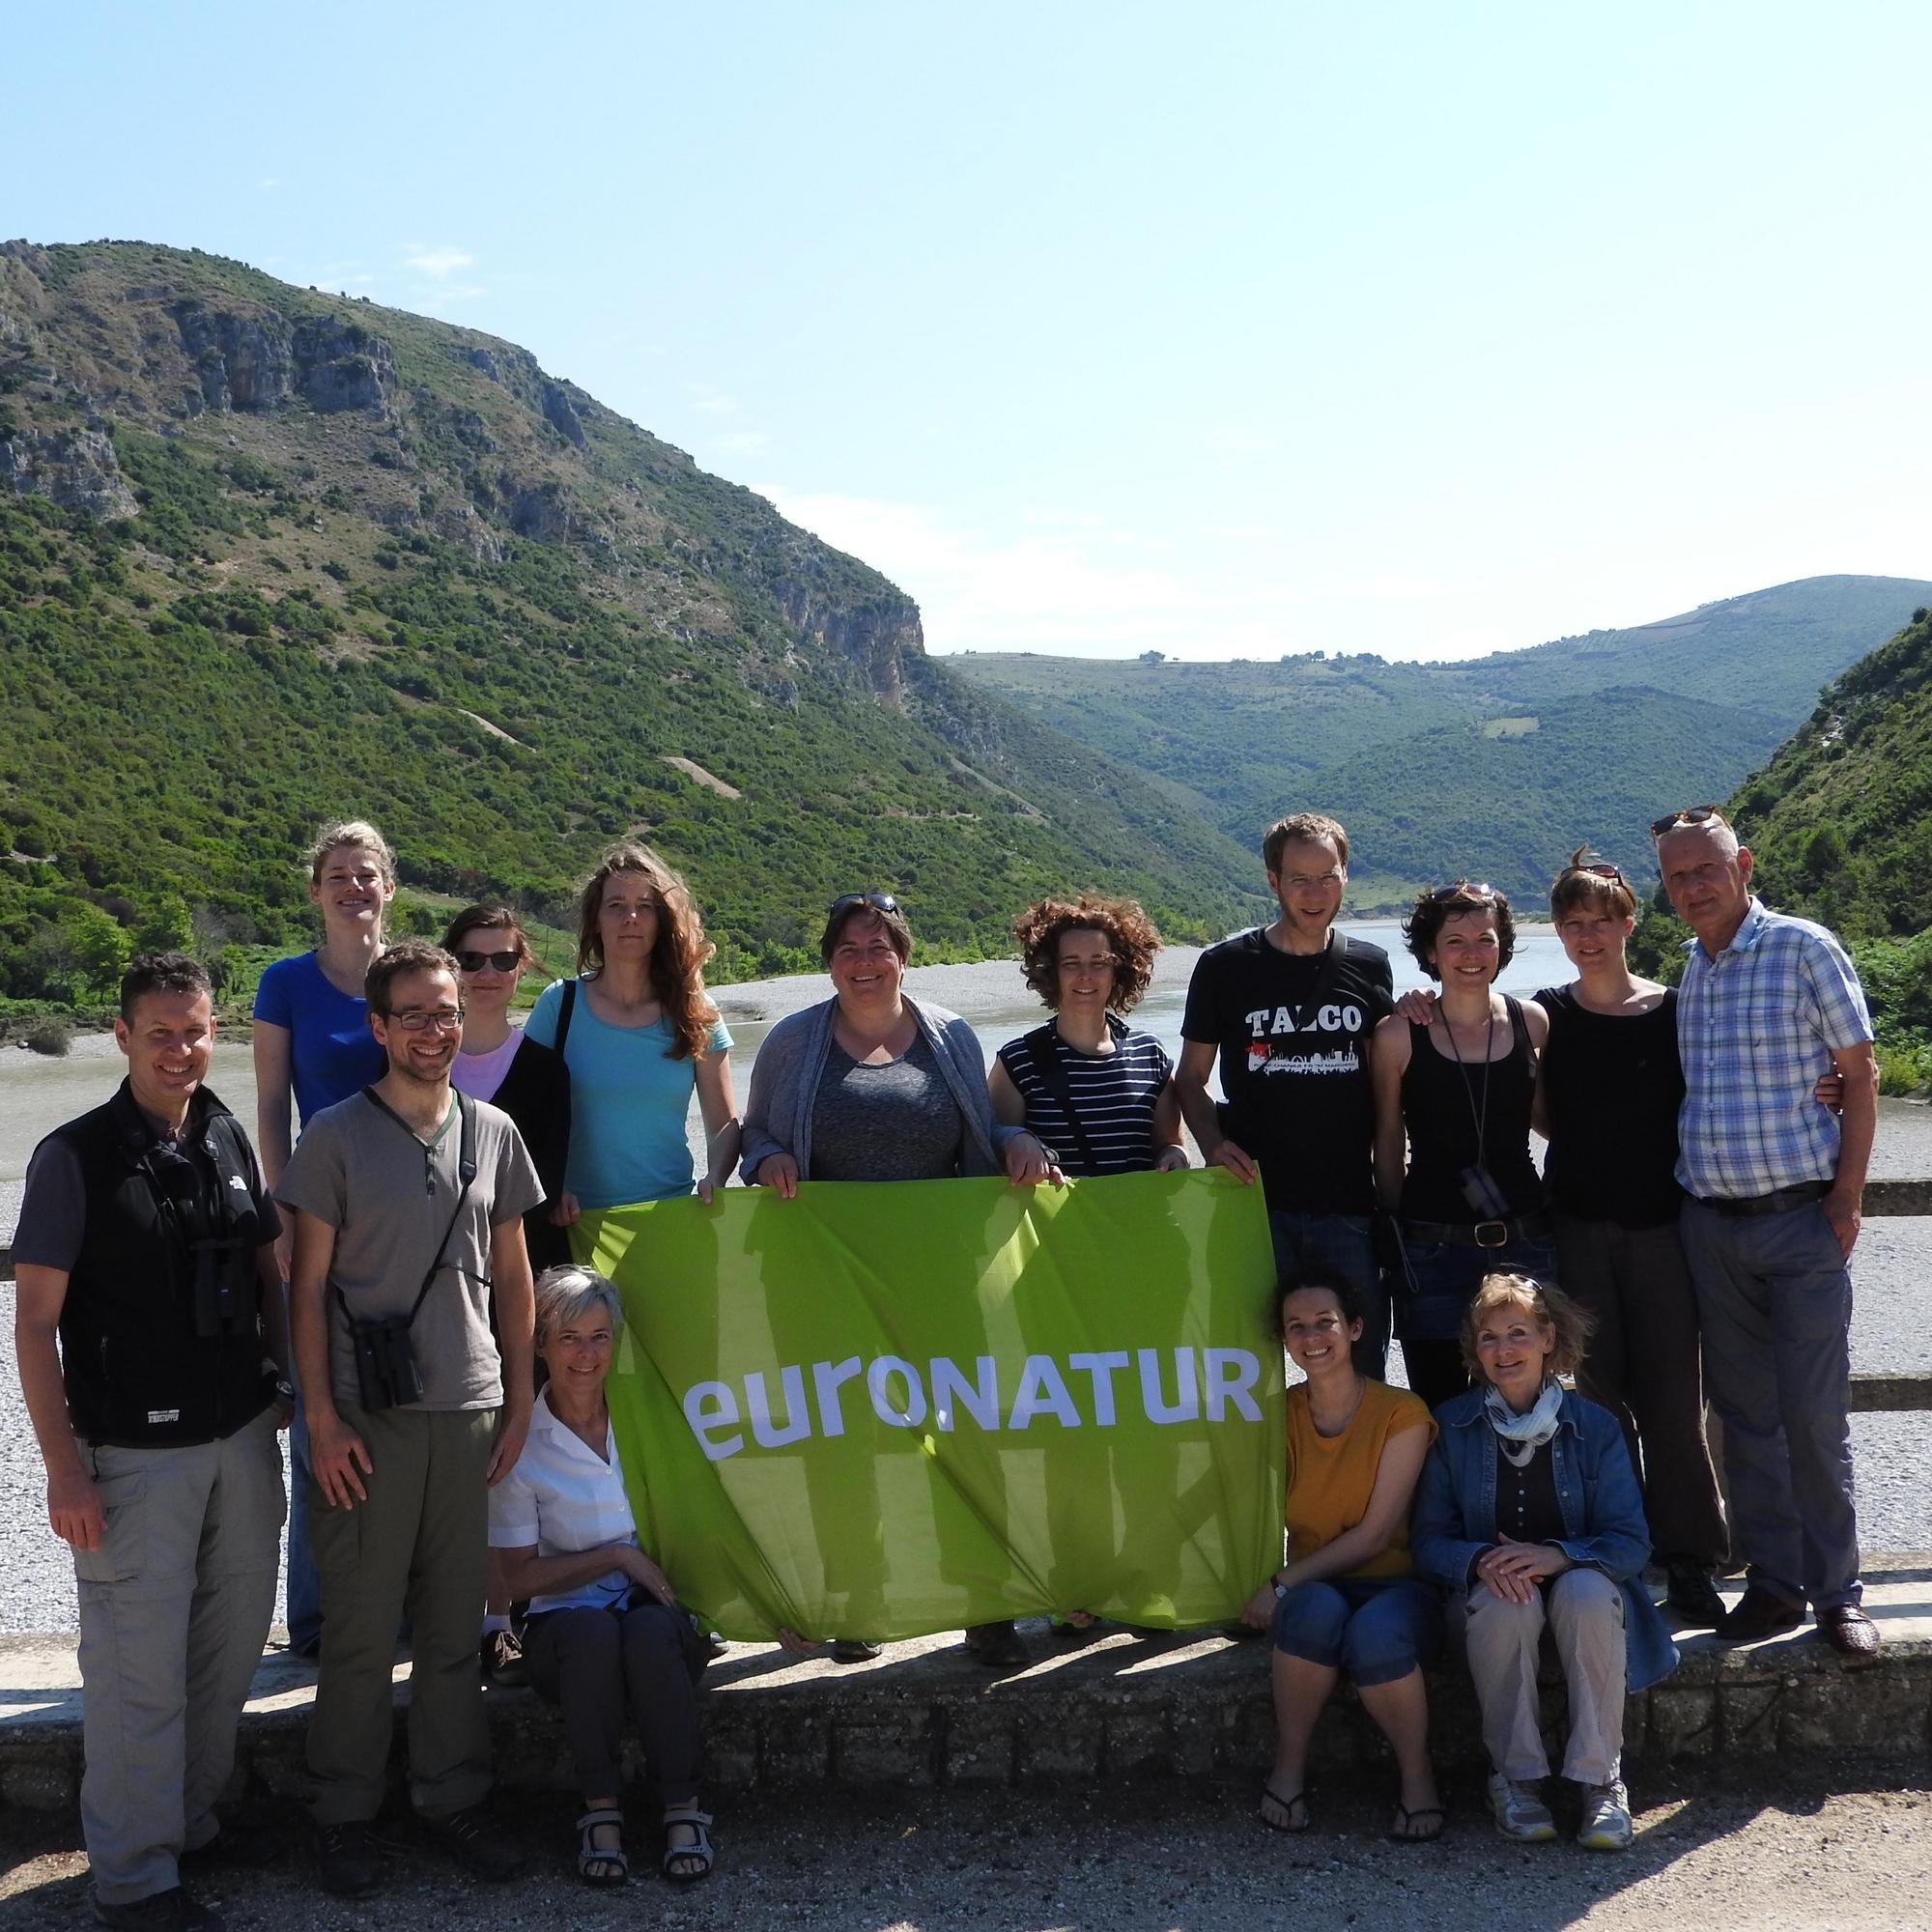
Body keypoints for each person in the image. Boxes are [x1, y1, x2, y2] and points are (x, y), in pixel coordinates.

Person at [14, 953, 289, 1932]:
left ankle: (188, 1821)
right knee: (137, 1667)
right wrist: (61, 1468)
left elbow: (267, 1269)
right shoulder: (72, 1156)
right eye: (162, 1032)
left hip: (244, 1435)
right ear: (122, 1036)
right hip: (131, 1455)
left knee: (225, 1646)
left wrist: (289, 1379)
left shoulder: (223, 1132)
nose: (183, 1048)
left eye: (198, 1028)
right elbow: (34, 1321)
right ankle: (133, 1877)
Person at [278, 941, 542, 1897]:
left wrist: (518, 1400)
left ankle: (450, 1797)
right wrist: (320, 1417)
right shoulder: (336, 1138)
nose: (435, 1029)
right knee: (355, 1624)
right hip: (366, 1415)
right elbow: (304, 1290)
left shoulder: (494, 1131)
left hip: (467, 1407)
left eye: (446, 1011)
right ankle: (343, 1813)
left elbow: (513, 1278)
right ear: (379, 1028)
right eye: (415, 1015)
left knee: (448, 1624)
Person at [740, 890, 1056, 1666]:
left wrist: (1018, 1141)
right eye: (848, 949)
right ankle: (858, 1599)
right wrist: (766, 1159)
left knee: (963, 1437)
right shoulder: (790, 1041)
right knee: (846, 1439)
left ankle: (987, 1604)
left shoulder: (948, 1033)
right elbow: (754, 1132)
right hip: (826, 1280)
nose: (864, 962)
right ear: (828, 963)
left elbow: (986, 1125)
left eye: (879, 947)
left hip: (941, 1276)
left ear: (904, 955)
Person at [1654, 806, 1882, 1658]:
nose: (1693, 887)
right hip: (1711, 1227)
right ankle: (1777, 1587)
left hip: (1799, 1222)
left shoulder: (1803, 948)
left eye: (1705, 868)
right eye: (1677, 876)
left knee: (1815, 1417)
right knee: (1745, 1417)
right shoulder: (1692, 969)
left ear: (1742, 863)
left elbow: (1860, 1075)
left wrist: (1848, 1196)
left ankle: (1838, 1595)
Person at [1411, 1273, 1677, 1853]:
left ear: (1548, 1338)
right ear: (1474, 1349)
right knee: (1510, 1599)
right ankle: (1516, 1778)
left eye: (1518, 1333)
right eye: (1489, 1337)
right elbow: (1427, 1543)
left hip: (1585, 1599)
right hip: (1492, 1604)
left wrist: (1557, 1556)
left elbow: (1630, 1542)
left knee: (1582, 1592)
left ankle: (1600, 1780)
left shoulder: (1597, 1427)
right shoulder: (1451, 1427)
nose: (1504, 1350)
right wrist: (1482, 1559)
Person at [1534, 849, 1728, 1626]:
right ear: (1558, 929)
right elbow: (1533, 1103)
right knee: (1600, 1404)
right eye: (1574, 924)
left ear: (1628, 921)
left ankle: (1688, 1559)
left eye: (1602, 921)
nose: (1589, 936)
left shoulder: (1677, 1008)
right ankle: (1619, 1554)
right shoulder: (1548, 1013)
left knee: (1675, 1401)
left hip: (1664, 1229)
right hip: (1578, 1225)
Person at [490, 1265, 712, 1889]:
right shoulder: (521, 1445)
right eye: (568, 1338)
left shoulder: (650, 1418)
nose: (586, 1355)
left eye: (600, 1337)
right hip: (564, 1631)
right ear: (540, 1345)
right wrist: (616, 1556)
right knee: (590, 1634)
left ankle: (683, 1810)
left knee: (645, 1636)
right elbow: (514, 1580)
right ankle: (600, 1813)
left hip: (653, 1616)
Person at [1177, 813, 1396, 1377]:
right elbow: (1190, 1079)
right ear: (1273, 880)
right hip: (1255, 1205)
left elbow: (1385, 1077)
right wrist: (1212, 1142)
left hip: (1348, 1205)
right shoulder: (1225, 967)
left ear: (1346, 876)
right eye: (1300, 879)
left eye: (1328, 876)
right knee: (1249, 1367)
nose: (1315, 893)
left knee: (1361, 1365)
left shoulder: (1370, 966)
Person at [253, 817, 397, 1661]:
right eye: (338, 875)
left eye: (367, 874)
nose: (353, 888)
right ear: (316, 891)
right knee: (320, 1410)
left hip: (410, 1215)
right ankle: (313, 1617)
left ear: (388, 886)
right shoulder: (285, 983)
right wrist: (280, 1210)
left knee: (405, 1406)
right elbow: (272, 1103)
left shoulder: (411, 975)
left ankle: (407, 1604)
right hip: (320, 1216)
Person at [1239, 1277, 1440, 1842]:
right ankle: (1289, 1766)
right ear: (1283, 1341)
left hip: (1396, 1585)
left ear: (1354, 1329)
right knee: (1310, 1617)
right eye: (1295, 1327)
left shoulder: (1402, 1412)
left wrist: (1277, 1585)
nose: (1311, 1336)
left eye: (1324, 1321)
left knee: (1376, 1632)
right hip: (1317, 1589)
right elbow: (1227, 1504)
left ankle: (1417, 1776)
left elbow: (1376, 1535)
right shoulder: (1274, 1415)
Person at [442, 903, 575, 1690]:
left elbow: (542, 1190)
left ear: (523, 968)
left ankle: (526, 1611)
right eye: (473, 959)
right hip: (441, 1287)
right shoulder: (424, 1053)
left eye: (502, 960)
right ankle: (484, 1618)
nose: (486, 975)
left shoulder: (548, 1069)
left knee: (527, 1450)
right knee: (467, 1458)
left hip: (526, 1279)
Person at [1372, 881, 1552, 1414]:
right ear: (1430, 952)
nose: (1471, 954)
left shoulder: (1533, 1022)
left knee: (1528, 1402)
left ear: (1503, 947)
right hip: (1432, 1246)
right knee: (1441, 1405)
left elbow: (1552, 1122)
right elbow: (1387, 1141)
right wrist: (1391, 1231)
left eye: (1485, 939)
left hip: (1526, 1241)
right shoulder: (1398, 1035)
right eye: (1455, 941)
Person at [523, 843, 739, 1218]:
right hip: (573, 1224)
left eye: (646, 906)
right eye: (616, 905)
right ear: (595, 920)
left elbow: (724, 1126)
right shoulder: (559, 1005)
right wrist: (553, 1184)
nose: (631, 917)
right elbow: (524, 1113)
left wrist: (716, 1178)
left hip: (671, 1220)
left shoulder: (696, 1011)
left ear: (663, 920)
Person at [990, 894, 1188, 1178]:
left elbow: (1171, 1144)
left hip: (1140, 1220)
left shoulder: (1149, 1054)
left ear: (1118, 970)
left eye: (1099, 962)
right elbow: (989, 1150)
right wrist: (1015, 1145)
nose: (1086, 975)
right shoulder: (1018, 1062)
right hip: (1055, 1222)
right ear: (1051, 972)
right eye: (1071, 963)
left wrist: (1175, 1156)